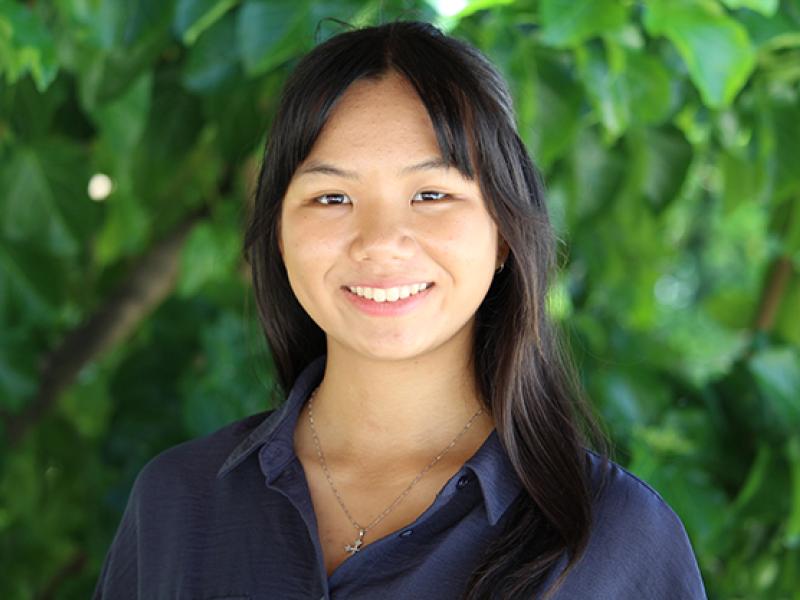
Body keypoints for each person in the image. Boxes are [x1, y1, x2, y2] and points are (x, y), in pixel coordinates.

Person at [94, 20, 707, 599]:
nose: (381, 240)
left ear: (503, 234)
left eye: (432, 194)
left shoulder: (617, 541)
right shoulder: (177, 505)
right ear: (279, 234)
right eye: (332, 197)